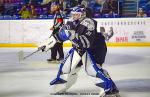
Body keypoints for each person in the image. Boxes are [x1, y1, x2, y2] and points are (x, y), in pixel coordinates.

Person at [39, 5, 120, 97]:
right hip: (79, 48)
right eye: (73, 14)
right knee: (67, 66)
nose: (74, 16)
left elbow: (86, 43)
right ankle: (60, 84)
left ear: (83, 14)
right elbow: (63, 33)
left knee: (92, 70)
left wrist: (71, 36)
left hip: (95, 49)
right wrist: (49, 42)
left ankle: (109, 89)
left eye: (76, 14)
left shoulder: (89, 23)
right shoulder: (72, 21)